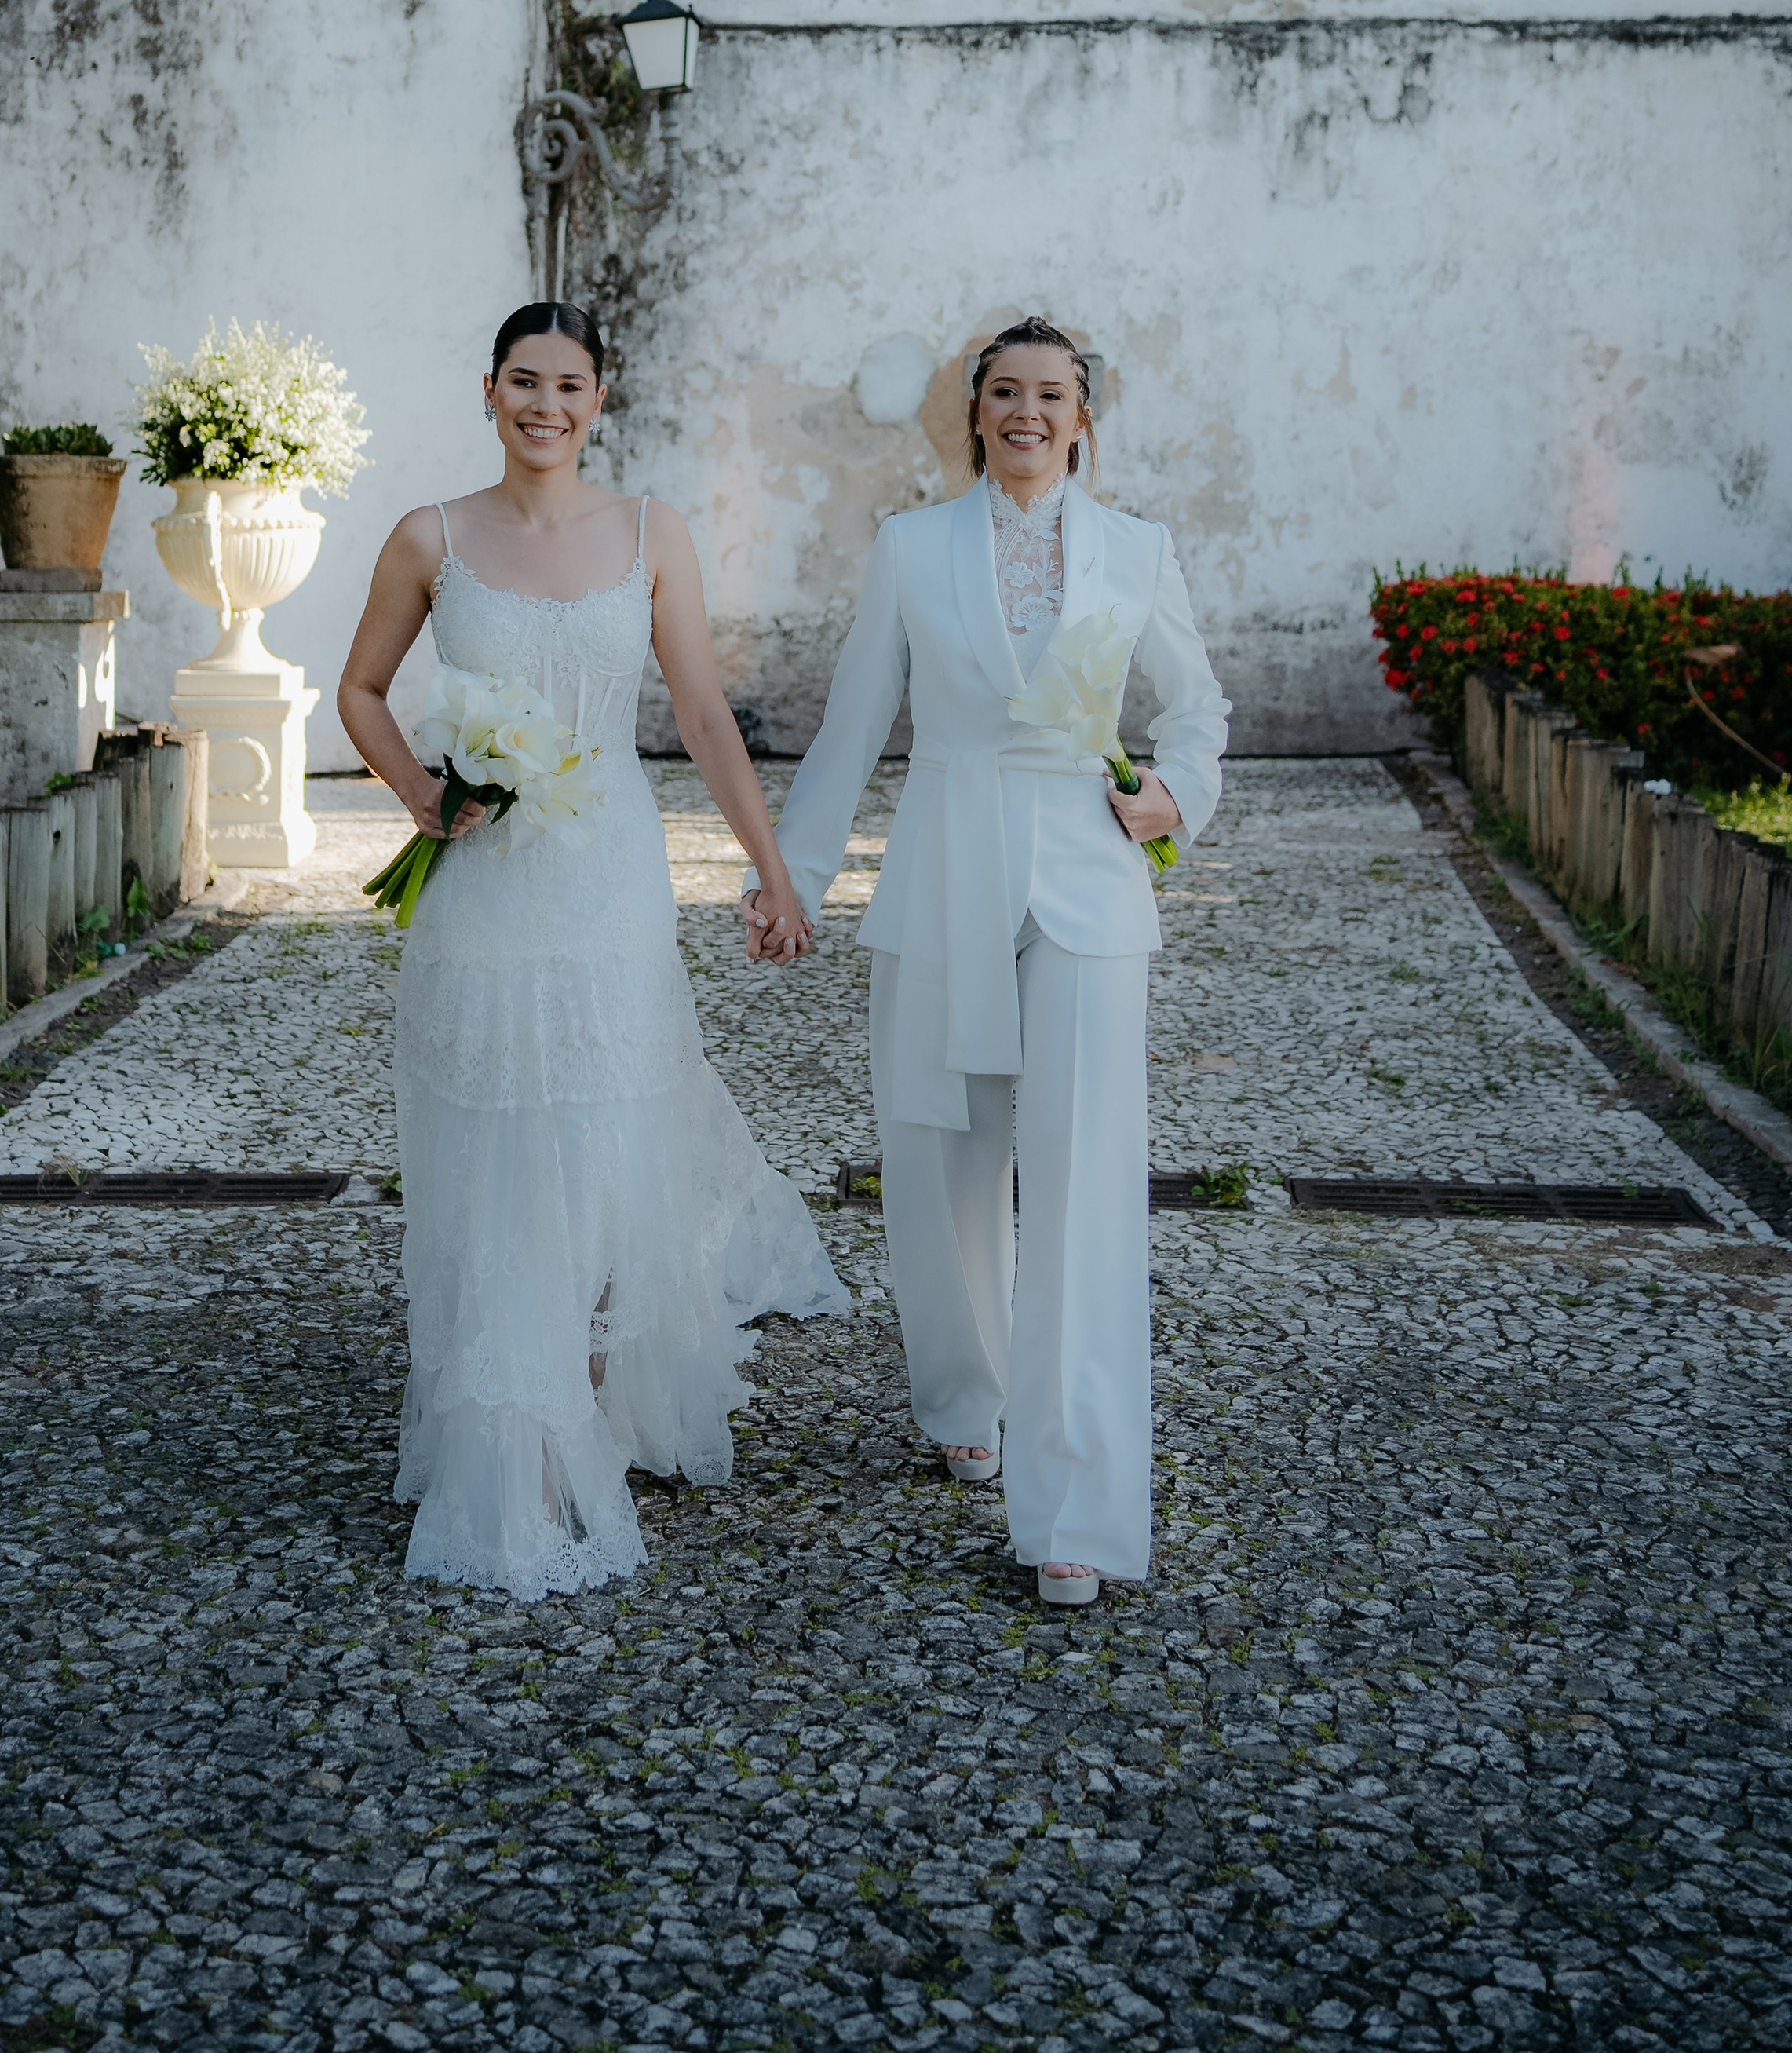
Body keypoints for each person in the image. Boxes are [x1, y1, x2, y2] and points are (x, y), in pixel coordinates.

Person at [337, 299, 845, 1598]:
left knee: (607, 1134)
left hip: (611, 876)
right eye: (523, 380)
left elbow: (703, 710)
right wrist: (420, 794)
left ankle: (590, 1392)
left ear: (600, 400)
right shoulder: (430, 535)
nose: (545, 404)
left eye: (568, 384)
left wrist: (772, 866)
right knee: (502, 1140)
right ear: (489, 391)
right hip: (486, 887)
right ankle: (521, 1415)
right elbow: (360, 689)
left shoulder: (651, 531)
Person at [745, 317, 1230, 1604]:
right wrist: (793, 875)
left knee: (1083, 1185)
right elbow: (853, 726)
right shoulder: (912, 548)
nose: (1027, 411)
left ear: (1083, 415)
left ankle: (1075, 1507)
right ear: (973, 411)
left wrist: (1176, 791)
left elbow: (1198, 705)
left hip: (1087, 882)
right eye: (1004, 391)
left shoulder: (1138, 549)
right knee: (940, 1152)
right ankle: (965, 1391)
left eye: (1051, 393)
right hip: (944, 864)